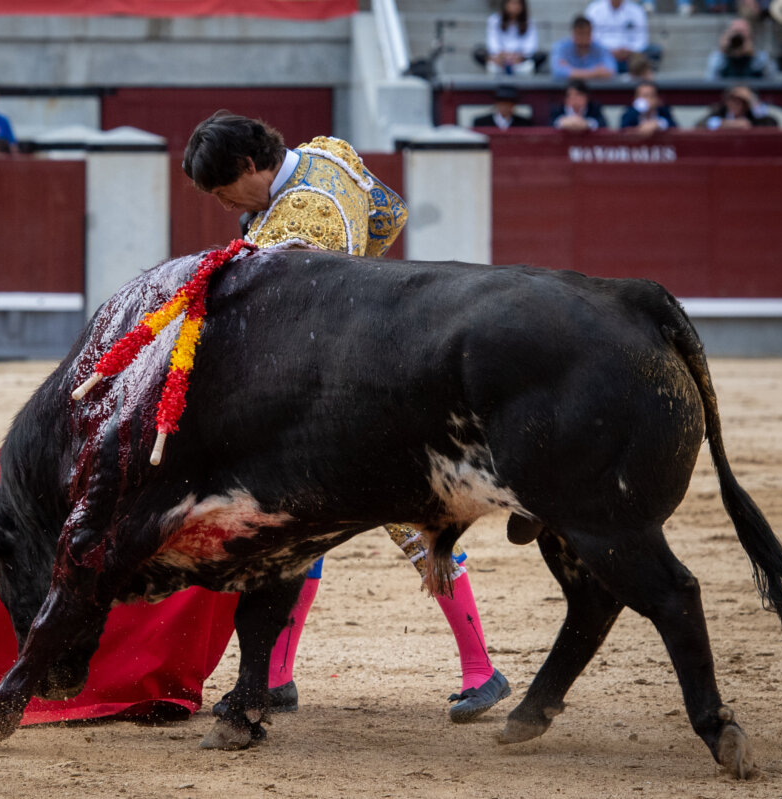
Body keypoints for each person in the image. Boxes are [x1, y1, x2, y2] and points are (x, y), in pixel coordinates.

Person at [182, 110, 511, 723]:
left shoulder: (292, 224)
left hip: (348, 386)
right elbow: (391, 213)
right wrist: (362, 268)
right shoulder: (329, 154)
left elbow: (257, 311)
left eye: (227, 191)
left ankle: (483, 670)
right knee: (305, 527)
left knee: (410, 522)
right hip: (361, 355)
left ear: (252, 167)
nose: (227, 205)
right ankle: (276, 677)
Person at [584, 0, 662, 74]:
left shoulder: (636, 10)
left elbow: (642, 39)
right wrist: (610, 51)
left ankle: (645, 83)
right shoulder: (594, 9)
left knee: (654, 51)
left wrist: (628, 51)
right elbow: (590, 38)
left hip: (630, 54)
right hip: (603, 54)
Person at [473, 0, 546, 75]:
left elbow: (531, 45)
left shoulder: (529, 22)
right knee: (479, 52)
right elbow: (492, 42)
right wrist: (501, 55)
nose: (514, 6)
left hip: (520, 59)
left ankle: (519, 68)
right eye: (512, 3)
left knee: (540, 55)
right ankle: (498, 66)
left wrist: (519, 56)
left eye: (517, 3)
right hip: (500, 58)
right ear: (505, 4)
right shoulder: (495, 20)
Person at [550, 15, 618, 80]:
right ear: (573, 33)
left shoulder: (600, 48)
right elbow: (558, 71)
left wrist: (571, 71)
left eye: (587, 34)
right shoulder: (561, 47)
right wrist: (595, 72)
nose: (584, 38)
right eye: (580, 34)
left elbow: (611, 70)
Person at [706, 18, 776, 79]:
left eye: (742, 31)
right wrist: (723, 51)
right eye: (735, 31)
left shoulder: (760, 56)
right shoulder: (718, 57)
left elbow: (771, 77)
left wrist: (754, 55)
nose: (739, 35)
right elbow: (711, 79)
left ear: (750, 34)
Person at [697, 85, 779, 129]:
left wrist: (752, 101)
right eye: (732, 100)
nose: (736, 104)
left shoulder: (753, 115)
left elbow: (771, 124)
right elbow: (701, 124)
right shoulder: (720, 111)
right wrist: (728, 124)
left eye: (741, 101)